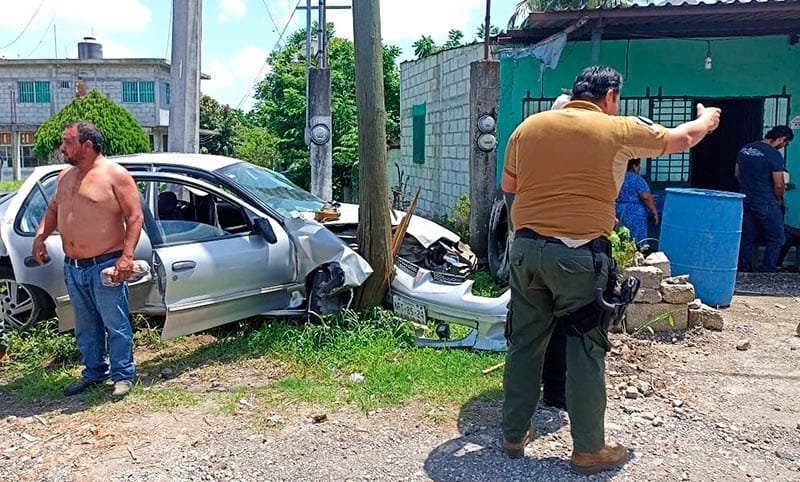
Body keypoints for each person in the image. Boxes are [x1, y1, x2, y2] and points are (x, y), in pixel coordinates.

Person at [500, 65, 720, 474]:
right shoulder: (617, 129)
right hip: (579, 255)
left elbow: (509, 188)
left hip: (526, 251)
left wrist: (526, 233)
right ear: (611, 97)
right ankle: (588, 450)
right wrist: (707, 118)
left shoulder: (527, 128)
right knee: (585, 347)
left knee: (525, 342)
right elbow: (684, 138)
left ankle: (514, 435)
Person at [32, 121, 143, 399]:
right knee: (85, 325)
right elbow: (54, 209)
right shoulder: (65, 176)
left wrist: (126, 257)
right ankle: (93, 372)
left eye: (68, 142)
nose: (62, 148)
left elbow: (135, 217)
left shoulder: (114, 175)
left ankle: (123, 375)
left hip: (105, 265)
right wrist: (40, 237)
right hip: (74, 266)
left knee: (114, 324)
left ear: (87, 145)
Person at [736, 125, 794, 272]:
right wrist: (779, 199)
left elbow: (737, 173)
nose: (784, 146)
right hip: (766, 201)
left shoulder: (745, 149)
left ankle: (744, 269)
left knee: (747, 237)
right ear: (781, 139)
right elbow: (779, 184)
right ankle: (768, 270)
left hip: (746, 200)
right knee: (777, 238)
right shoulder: (774, 155)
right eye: (785, 143)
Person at [615, 158, 660, 245]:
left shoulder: (618, 178)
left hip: (618, 210)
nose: (639, 168)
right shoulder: (638, 179)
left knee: (621, 235)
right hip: (635, 213)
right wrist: (655, 213)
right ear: (634, 166)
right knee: (636, 239)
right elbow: (646, 197)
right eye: (638, 165)